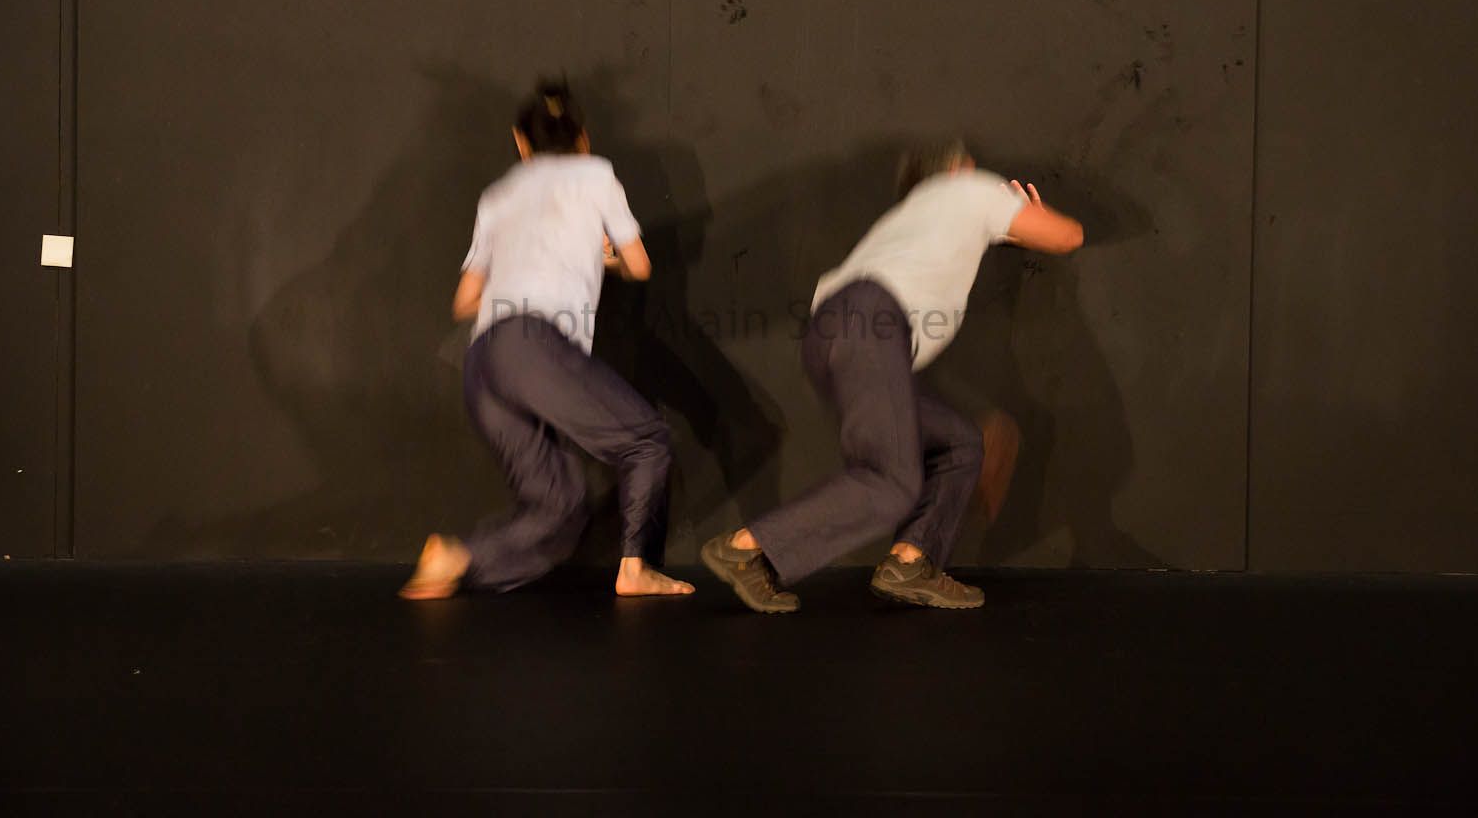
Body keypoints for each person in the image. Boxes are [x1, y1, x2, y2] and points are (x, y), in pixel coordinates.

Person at [700, 140, 1083, 612]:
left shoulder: (911, 216)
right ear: (957, 169)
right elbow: (1068, 236)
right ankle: (745, 548)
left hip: (832, 334)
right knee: (889, 480)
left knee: (959, 443)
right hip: (868, 327)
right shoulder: (971, 189)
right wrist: (1031, 217)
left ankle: (911, 563)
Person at [400, 80, 693, 600]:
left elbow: (464, 302)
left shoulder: (498, 196)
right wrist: (603, 259)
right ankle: (635, 570)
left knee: (559, 506)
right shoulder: (596, 174)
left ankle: (457, 557)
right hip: (533, 347)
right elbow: (640, 265)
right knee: (647, 441)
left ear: (521, 142)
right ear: (582, 138)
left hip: (482, 359)